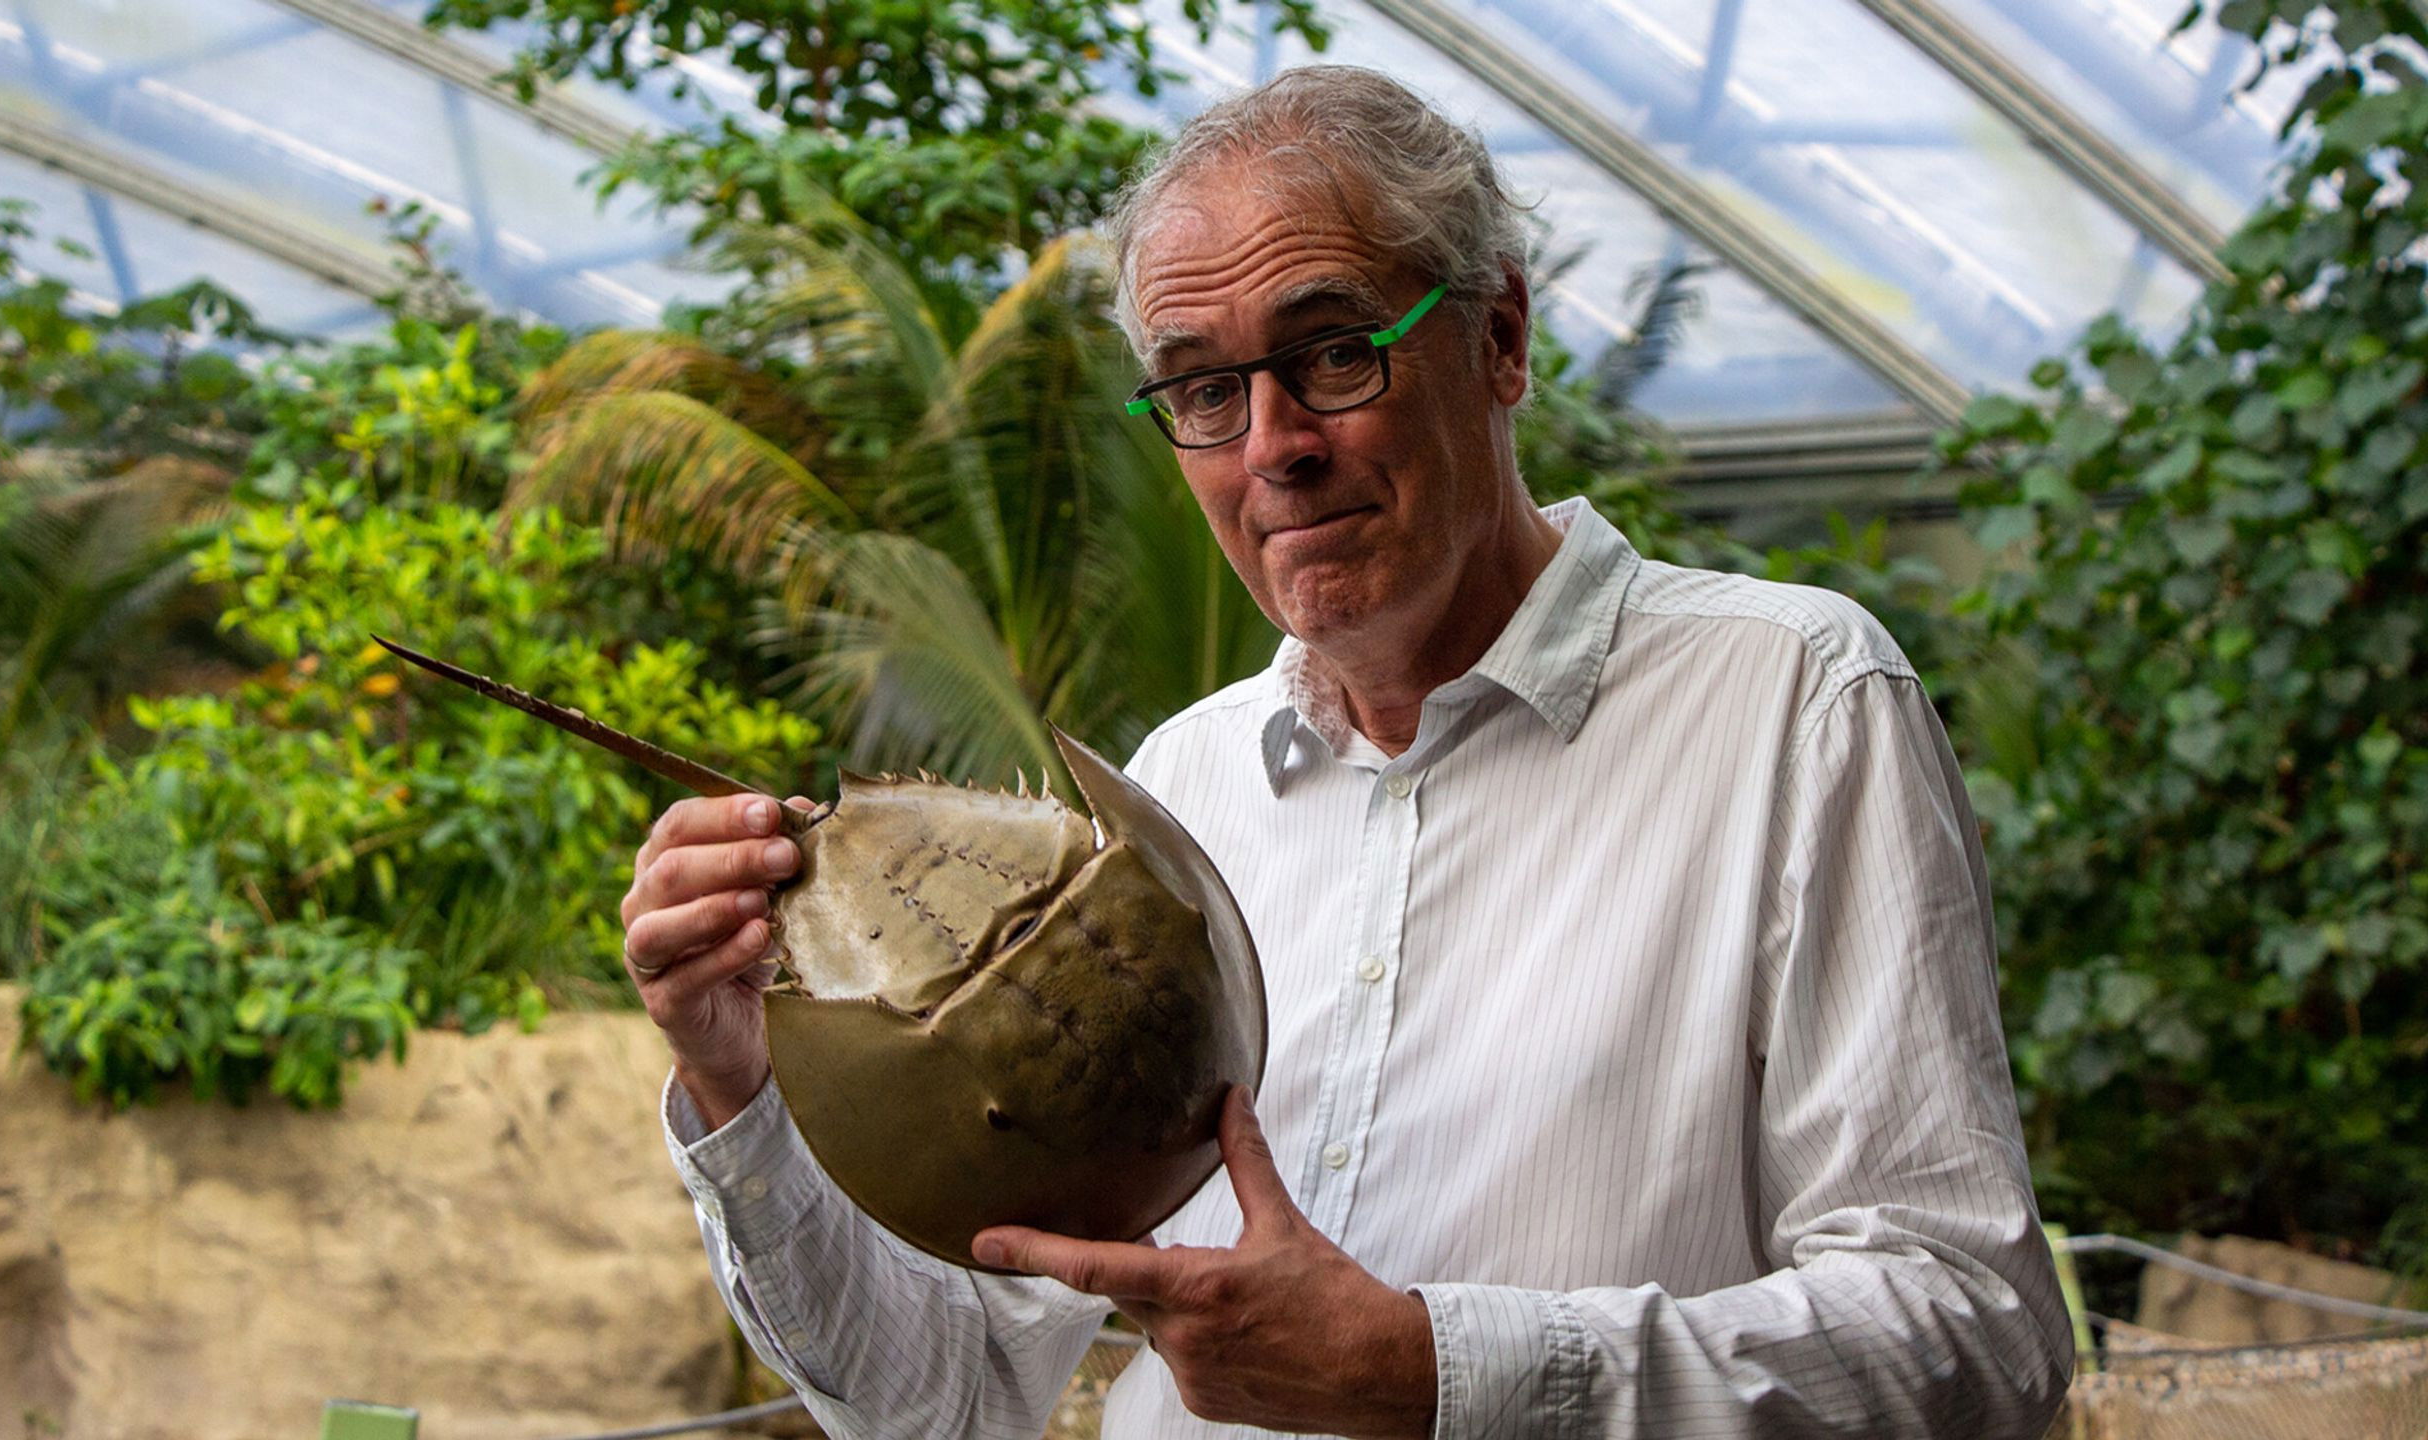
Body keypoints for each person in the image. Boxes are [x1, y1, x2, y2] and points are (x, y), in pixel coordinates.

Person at [617, 65, 2074, 1440]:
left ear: (1499, 336)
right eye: (1202, 390)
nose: (1274, 446)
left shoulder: (1791, 703)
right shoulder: (1173, 804)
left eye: (1332, 353)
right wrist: (741, 1087)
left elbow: (1974, 1333)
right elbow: (951, 1397)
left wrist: (1433, 1373)